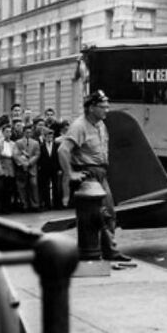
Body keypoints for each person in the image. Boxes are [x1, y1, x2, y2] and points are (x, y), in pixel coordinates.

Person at [58, 90, 131, 262]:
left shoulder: (100, 124)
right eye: (103, 107)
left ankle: (108, 250)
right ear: (91, 108)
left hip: (100, 173)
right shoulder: (79, 126)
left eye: (108, 106)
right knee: (99, 215)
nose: (107, 110)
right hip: (88, 174)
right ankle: (95, 252)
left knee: (110, 214)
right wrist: (70, 174)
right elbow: (63, 150)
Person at [14, 124, 41, 212]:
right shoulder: (18, 142)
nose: (28, 133)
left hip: (32, 168)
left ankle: (35, 205)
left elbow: (37, 154)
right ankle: (24, 205)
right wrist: (23, 163)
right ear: (23, 132)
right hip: (21, 168)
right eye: (26, 132)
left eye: (30, 132)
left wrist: (29, 163)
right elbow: (16, 155)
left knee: (34, 185)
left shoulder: (35, 143)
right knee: (22, 186)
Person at [0, 124, 17, 213]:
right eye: (6, 132)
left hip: (10, 168)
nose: (9, 133)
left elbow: (16, 156)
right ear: (3, 133)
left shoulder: (13, 144)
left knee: (9, 189)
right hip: (1, 167)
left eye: (10, 132)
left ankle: (7, 207)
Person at [38, 127, 62, 210]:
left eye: (51, 136)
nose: (50, 138)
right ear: (45, 137)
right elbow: (40, 158)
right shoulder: (41, 146)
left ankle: (57, 204)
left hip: (55, 168)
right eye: (48, 136)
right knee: (46, 187)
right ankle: (47, 204)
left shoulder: (57, 145)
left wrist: (59, 168)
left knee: (56, 186)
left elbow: (59, 158)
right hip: (45, 169)